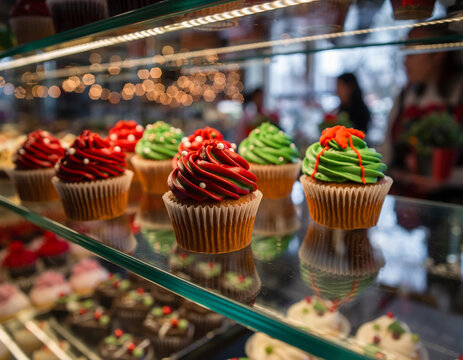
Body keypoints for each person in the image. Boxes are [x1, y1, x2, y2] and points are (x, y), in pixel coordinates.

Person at [381, 24, 463, 202]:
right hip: (405, 204)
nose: (405, 61)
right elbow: (387, 154)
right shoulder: (405, 96)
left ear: (439, 53)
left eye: (412, 53)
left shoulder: (459, 93)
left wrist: (446, 179)